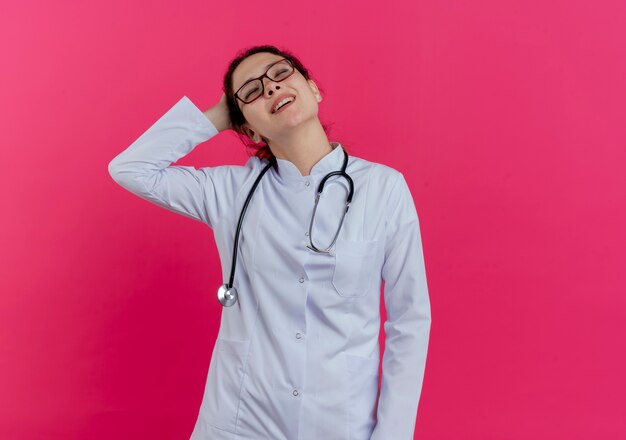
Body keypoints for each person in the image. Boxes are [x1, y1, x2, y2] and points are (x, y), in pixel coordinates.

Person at [108, 44, 431, 440]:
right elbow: (130, 169)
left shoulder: (384, 188)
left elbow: (410, 319)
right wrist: (214, 117)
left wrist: (393, 434)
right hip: (239, 421)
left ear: (313, 88)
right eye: (251, 91)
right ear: (247, 127)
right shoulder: (230, 190)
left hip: (339, 422)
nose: (271, 89)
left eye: (281, 74)